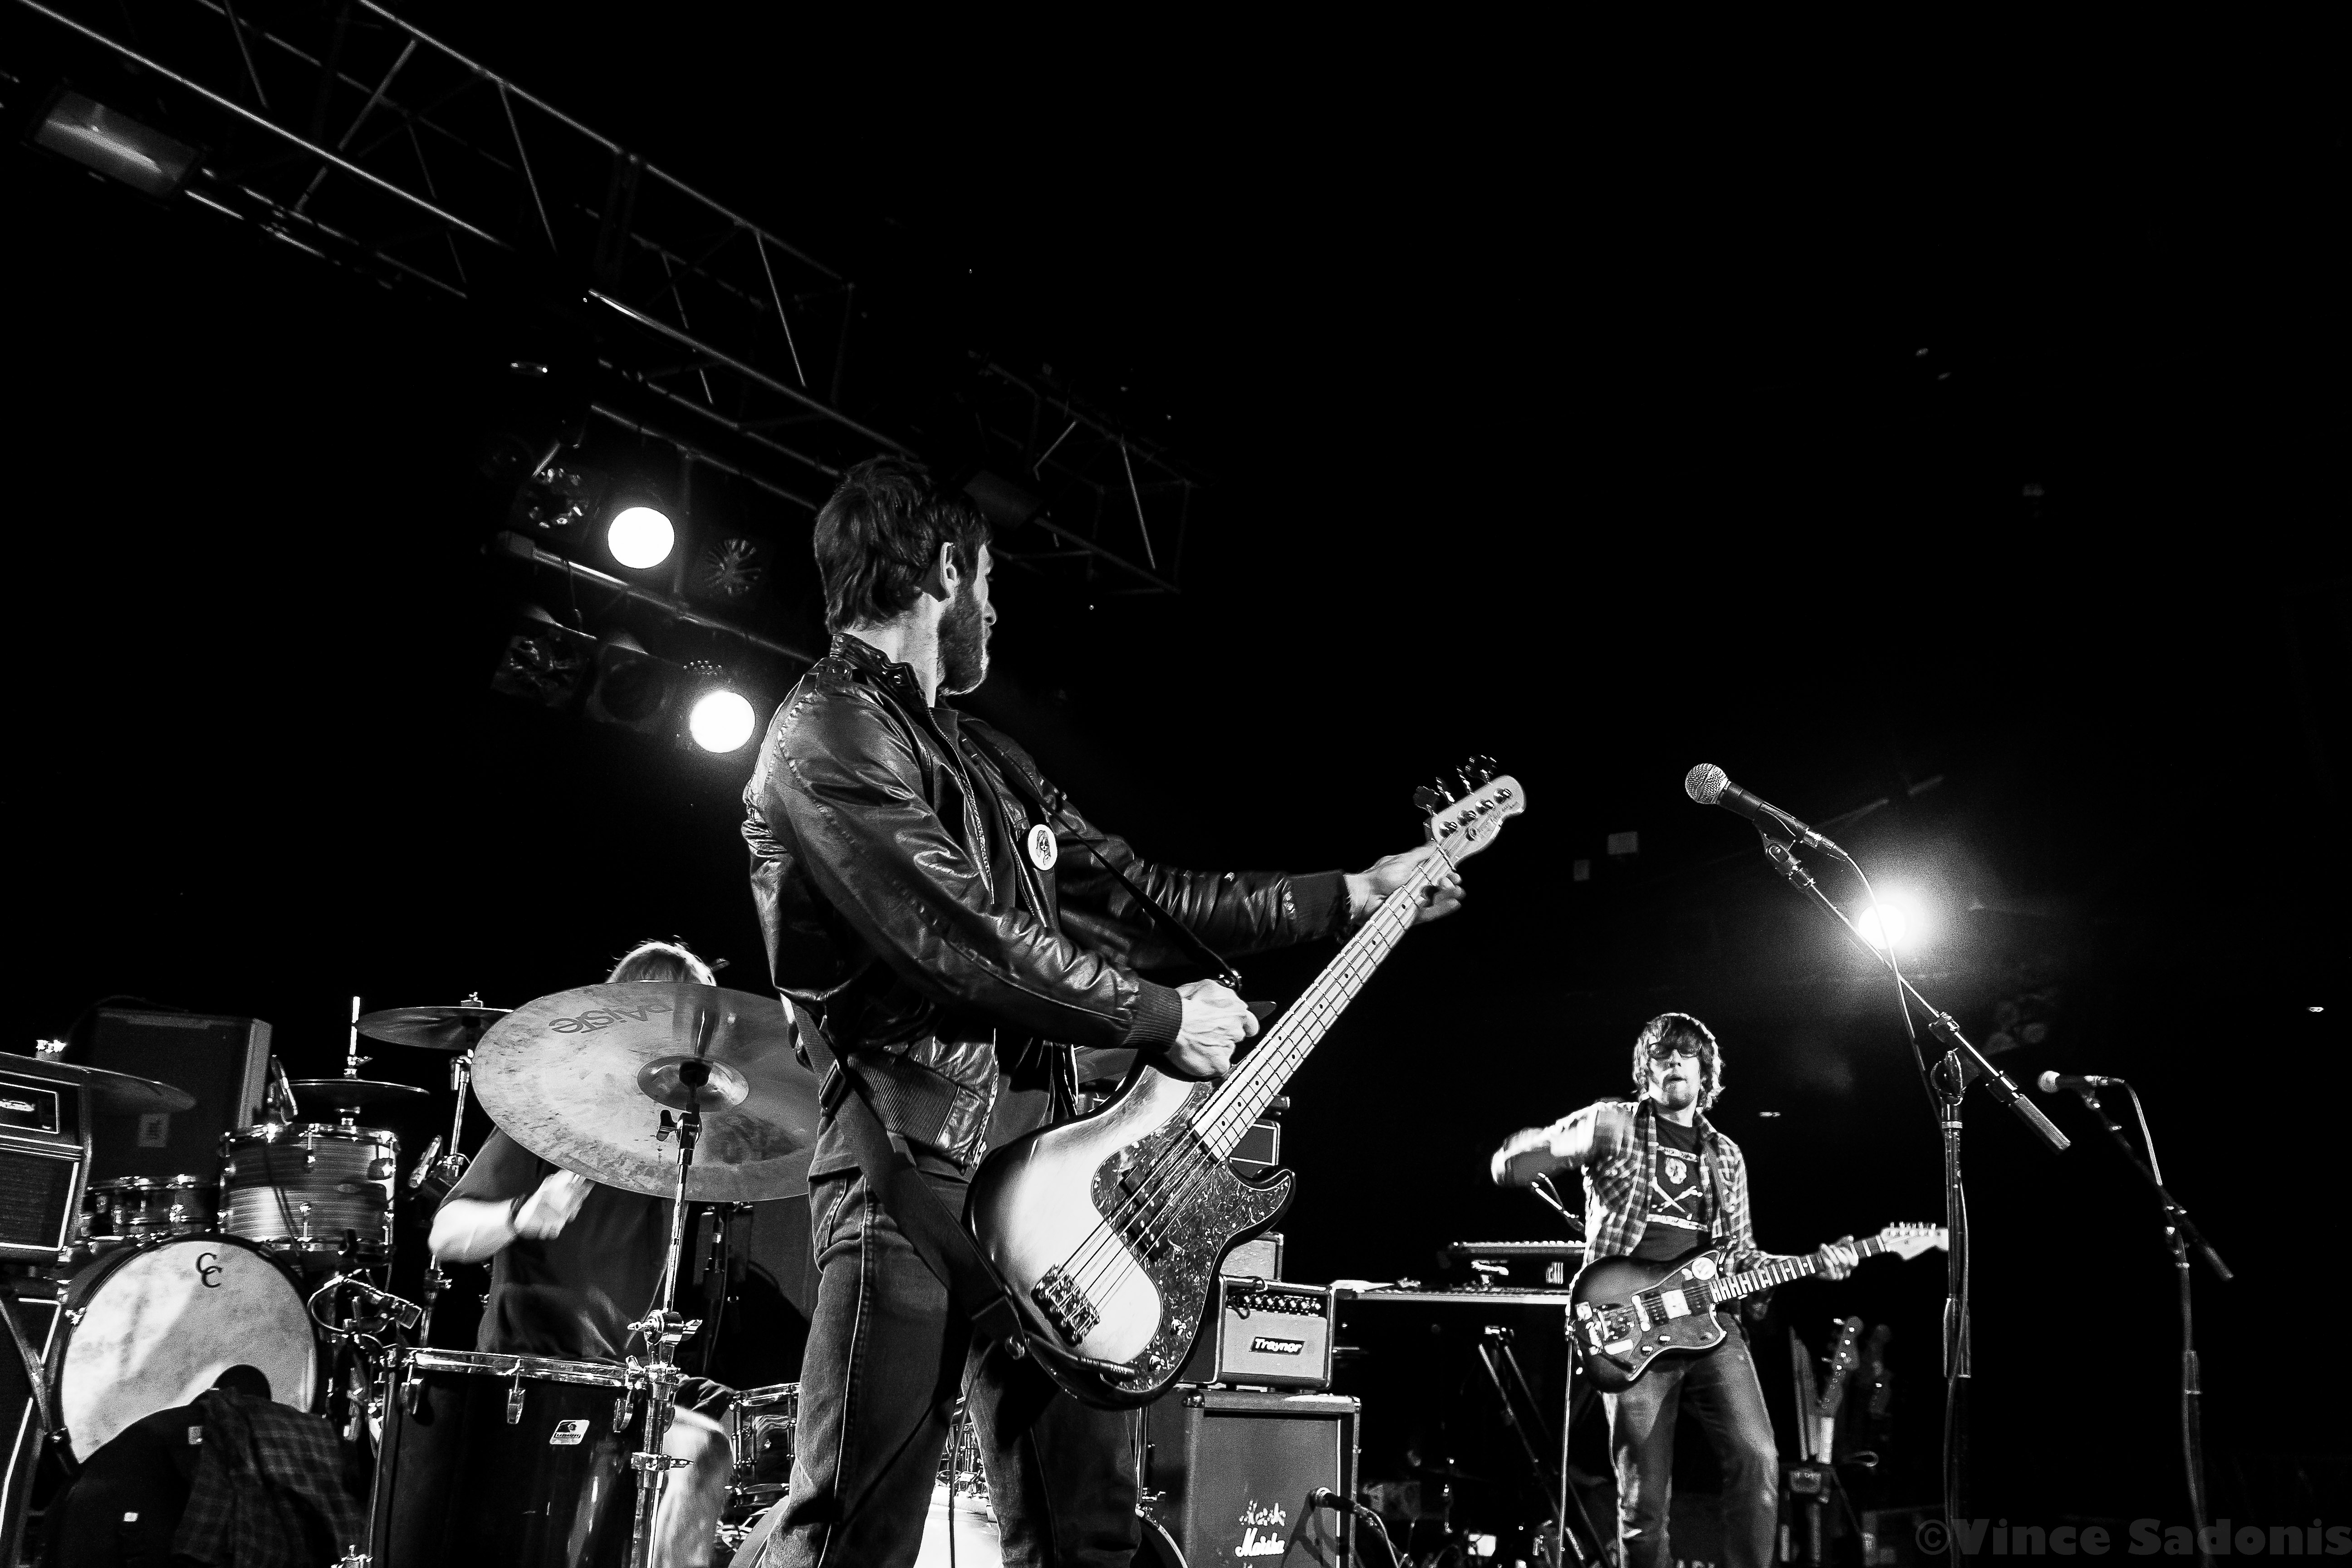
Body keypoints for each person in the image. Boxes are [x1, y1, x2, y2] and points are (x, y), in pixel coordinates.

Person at [740, 454, 1463, 1568]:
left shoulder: (988, 757)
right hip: (913, 1167)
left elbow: (1142, 899)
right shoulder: (827, 731)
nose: (997, 608)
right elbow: (964, 939)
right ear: (947, 570)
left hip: (1051, 1186)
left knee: (1087, 1534)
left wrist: (1353, 893)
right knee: (854, 1531)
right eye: (990, 579)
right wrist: (1163, 1015)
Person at [1490, 1013, 1857, 1568]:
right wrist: (1550, 1148)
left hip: (1711, 1324)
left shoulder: (1726, 1155)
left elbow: (1741, 1256)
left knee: (1758, 1459)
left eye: (1687, 1055)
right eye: (1662, 1055)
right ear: (1647, 1070)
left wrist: (1813, 1264)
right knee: (1644, 1504)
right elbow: (1510, 1166)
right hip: (1629, 1326)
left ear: (1706, 1072)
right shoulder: (1613, 1122)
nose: (1675, 1063)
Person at [430, 938, 732, 1568]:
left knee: (730, 1432)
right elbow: (446, 1234)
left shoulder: (681, 1143)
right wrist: (521, 1215)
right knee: (698, 1451)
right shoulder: (555, 1120)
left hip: (623, 1379)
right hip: (536, 1372)